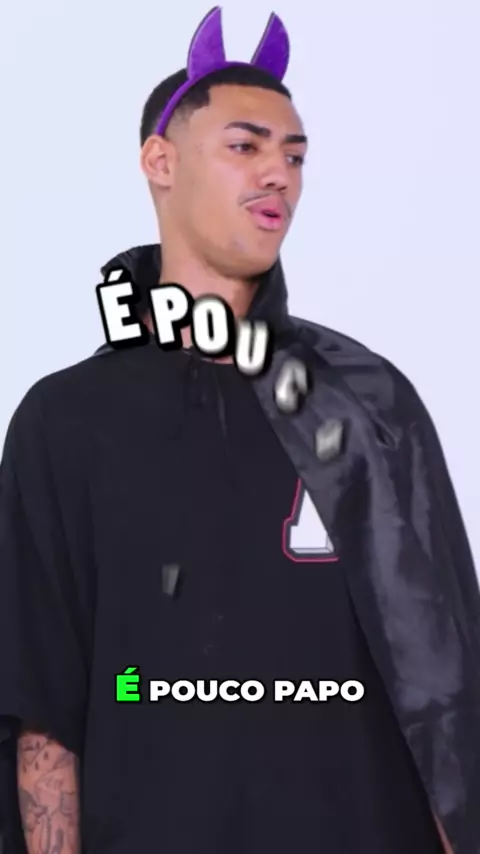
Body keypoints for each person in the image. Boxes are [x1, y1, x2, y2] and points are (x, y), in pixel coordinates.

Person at [0, 8, 479, 854]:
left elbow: (446, 689)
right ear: (161, 161)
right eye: (245, 146)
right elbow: (44, 714)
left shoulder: (368, 402)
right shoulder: (64, 421)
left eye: (294, 156)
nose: (278, 176)